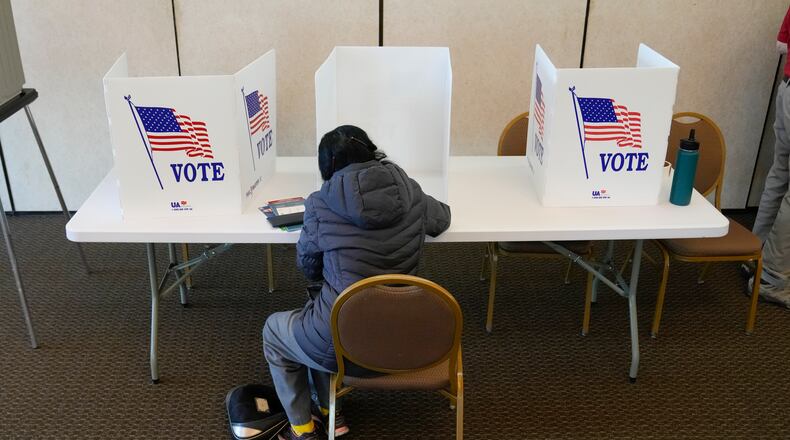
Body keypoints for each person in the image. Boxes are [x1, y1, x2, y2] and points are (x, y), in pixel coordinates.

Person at [262, 125, 452, 440]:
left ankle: (303, 430)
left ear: (327, 167)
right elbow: (442, 218)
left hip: (343, 345)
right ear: (372, 151)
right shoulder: (411, 191)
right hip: (407, 340)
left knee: (279, 329)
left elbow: (308, 267)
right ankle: (331, 413)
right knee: (325, 308)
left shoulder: (319, 204)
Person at [749, 6, 790, 308]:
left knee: (780, 174)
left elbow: (783, 42)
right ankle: (773, 277)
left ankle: (755, 254)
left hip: (788, 88)